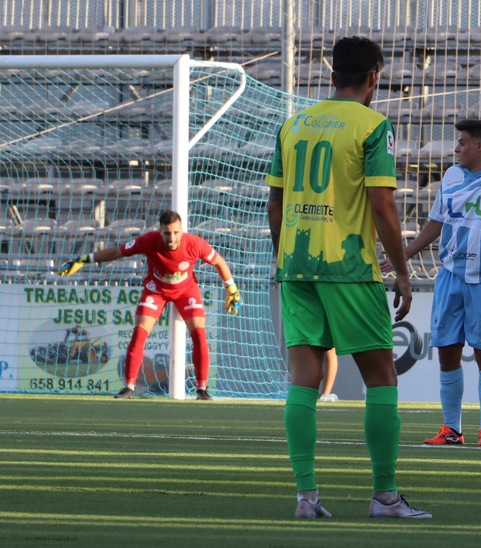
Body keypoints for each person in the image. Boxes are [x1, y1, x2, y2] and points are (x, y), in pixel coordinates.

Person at [266, 36, 431, 519]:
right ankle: (385, 496)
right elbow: (382, 204)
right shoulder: (374, 125)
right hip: (349, 265)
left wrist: (285, 261)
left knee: (303, 380)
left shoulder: (292, 125)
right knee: (381, 378)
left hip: (296, 265)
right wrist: (402, 272)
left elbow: (274, 204)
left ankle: (306, 497)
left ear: (331, 74)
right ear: (375, 77)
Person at [381, 119, 481, 447]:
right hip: (450, 278)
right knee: (447, 354)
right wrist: (404, 256)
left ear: (480, 147)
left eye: (463, 142)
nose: (456, 148)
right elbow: (437, 223)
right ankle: (452, 429)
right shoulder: (452, 177)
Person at [57, 209, 242, 400]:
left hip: (187, 291)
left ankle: (202, 389)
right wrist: (84, 259)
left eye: (176, 232)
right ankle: (129, 387)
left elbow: (219, 262)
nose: (171, 238)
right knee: (139, 333)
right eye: (167, 233)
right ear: (159, 231)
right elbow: (117, 252)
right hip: (156, 290)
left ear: (181, 231)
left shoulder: (194, 243)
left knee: (200, 335)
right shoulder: (148, 241)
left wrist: (232, 289)